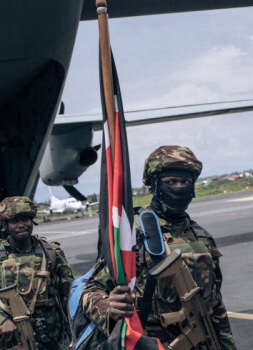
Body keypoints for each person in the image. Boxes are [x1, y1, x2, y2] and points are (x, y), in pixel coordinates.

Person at [81, 145, 236, 349]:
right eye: (171, 181)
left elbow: (215, 304)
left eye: (185, 181)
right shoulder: (134, 234)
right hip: (151, 343)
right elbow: (92, 289)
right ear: (154, 185)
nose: (179, 187)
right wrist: (108, 307)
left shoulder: (201, 236)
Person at [0, 196, 73, 349]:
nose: (22, 225)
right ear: (5, 225)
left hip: (51, 338)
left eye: (26, 220)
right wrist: (0, 321)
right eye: (15, 221)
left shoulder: (50, 252)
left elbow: (69, 294)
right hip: (12, 341)